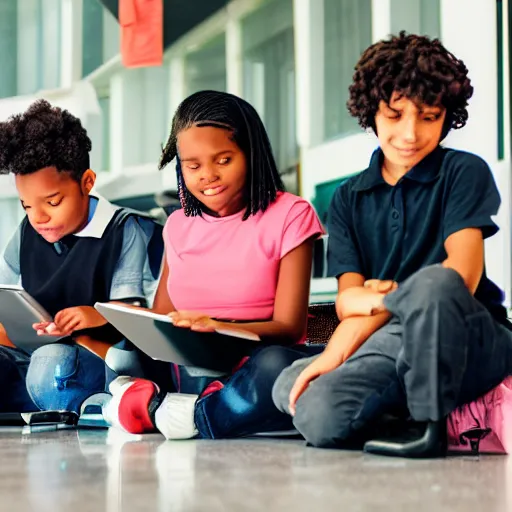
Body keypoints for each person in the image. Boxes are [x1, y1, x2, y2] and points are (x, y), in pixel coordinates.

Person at [272, 32, 512, 458]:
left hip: (464, 332)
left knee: (435, 285)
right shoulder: (349, 198)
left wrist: (382, 297)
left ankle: (430, 423)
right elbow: (347, 303)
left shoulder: (462, 171)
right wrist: (338, 350)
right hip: (386, 338)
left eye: (429, 116)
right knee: (299, 394)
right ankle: (431, 414)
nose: (410, 134)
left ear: (447, 116)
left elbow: (462, 275)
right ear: (372, 113)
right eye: (395, 114)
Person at [102, 90, 324, 439]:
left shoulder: (291, 214)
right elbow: (163, 318)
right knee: (122, 354)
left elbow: (291, 325)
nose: (207, 175)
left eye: (223, 160)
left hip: (252, 359)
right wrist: (135, 322)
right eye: (193, 165)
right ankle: (171, 406)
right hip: (187, 362)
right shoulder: (177, 225)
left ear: (250, 154)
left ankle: (191, 414)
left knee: (277, 368)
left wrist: (218, 324)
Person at [0, 100, 163, 413]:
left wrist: (94, 314)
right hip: (34, 356)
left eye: (53, 201)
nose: (39, 217)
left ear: (87, 182)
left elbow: (138, 315)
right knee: (40, 367)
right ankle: (69, 404)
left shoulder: (125, 229)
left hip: (98, 358)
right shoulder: (26, 233)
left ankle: (108, 400)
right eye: (27, 205)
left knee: (52, 367)